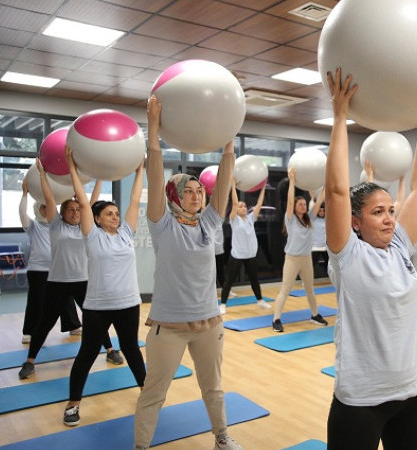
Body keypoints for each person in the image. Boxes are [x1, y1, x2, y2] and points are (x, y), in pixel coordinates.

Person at [324, 68, 417, 450]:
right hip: (362, 400)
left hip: (414, 391)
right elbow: (337, 191)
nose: (390, 218)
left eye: (390, 210)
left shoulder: (401, 245)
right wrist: (340, 117)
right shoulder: (348, 256)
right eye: (377, 212)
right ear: (355, 222)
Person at [134, 96, 241, 450]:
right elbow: (154, 169)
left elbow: (223, 183)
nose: (196, 195)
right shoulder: (162, 224)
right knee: (154, 393)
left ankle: (222, 438)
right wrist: (153, 128)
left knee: (213, 386)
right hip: (169, 327)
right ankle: (141, 446)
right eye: (188, 191)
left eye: (199, 191)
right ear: (174, 195)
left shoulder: (209, 222)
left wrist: (229, 139)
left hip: (209, 323)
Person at [61, 147, 146, 427]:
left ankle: (148, 394)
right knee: (86, 353)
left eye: (115, 213)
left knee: (132, 349)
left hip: (128, 303)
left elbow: (135, 201)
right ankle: (73, 404)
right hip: (97, 306)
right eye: (108, 214)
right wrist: (73, 166)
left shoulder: (125, 234)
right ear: (97, 219)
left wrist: (139, 171)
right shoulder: (92, 236)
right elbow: (83, 203)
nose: (114, 217)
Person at [18, 164, 121, 380]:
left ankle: (111, 351)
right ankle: (29, 361)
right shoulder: (55, 225)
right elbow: (47, 197)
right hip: (57, 282)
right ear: (62, 212)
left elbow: (90, 202)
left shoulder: (87, 226)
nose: (75, 212)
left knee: (96, 318)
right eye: (70, 209)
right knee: (45, 323)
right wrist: (43, 176)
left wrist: (100, 176)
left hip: (83, 281)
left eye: (77, 210)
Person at [270, 168, 329, 333]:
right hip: (292, 259)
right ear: (295, 207)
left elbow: (320, 200)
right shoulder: (290, 219)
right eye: (300, 204)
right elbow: (289, 201)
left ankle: (315, 314)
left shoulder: (310, 218)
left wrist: (325, 182)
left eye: (304, 203)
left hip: (306, 259)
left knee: (310, 289)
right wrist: (293, 182)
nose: (303, 206)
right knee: (285, 290)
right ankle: (276, 319)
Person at [220, 177, 270, 311]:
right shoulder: (234, 219)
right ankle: (223, 305)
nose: (242, 207)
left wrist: (263, 187)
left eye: (244, 206)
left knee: (254, 279)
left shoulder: (250, 218)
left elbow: (259, 203)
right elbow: (235, 203)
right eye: (240, 206)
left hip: (250, 254)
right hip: (237, 255)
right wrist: (232, 185)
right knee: (229, 280)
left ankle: (260, 300)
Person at [19, 180, 57, 344]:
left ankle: (73, 325)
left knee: (65, 298)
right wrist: (25, 195)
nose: (46, 209)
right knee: (36, 301)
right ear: (38, 209)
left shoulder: (57, 225)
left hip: (56, 269)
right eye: (43, 207)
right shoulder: (33, 226)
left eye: (48, 206)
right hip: (37, 270)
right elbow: (22, 213)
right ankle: (29, 331)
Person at [310, 190, 328, 278]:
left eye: (323, 211)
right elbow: (312, 208)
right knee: (310, 266)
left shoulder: (326, 220)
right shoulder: (312, 219)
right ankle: (306, 280)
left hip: (325, 247)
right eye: (319, 211)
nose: (321, 212)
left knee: (330, 265)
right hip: (315, 247)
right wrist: (312, 197)